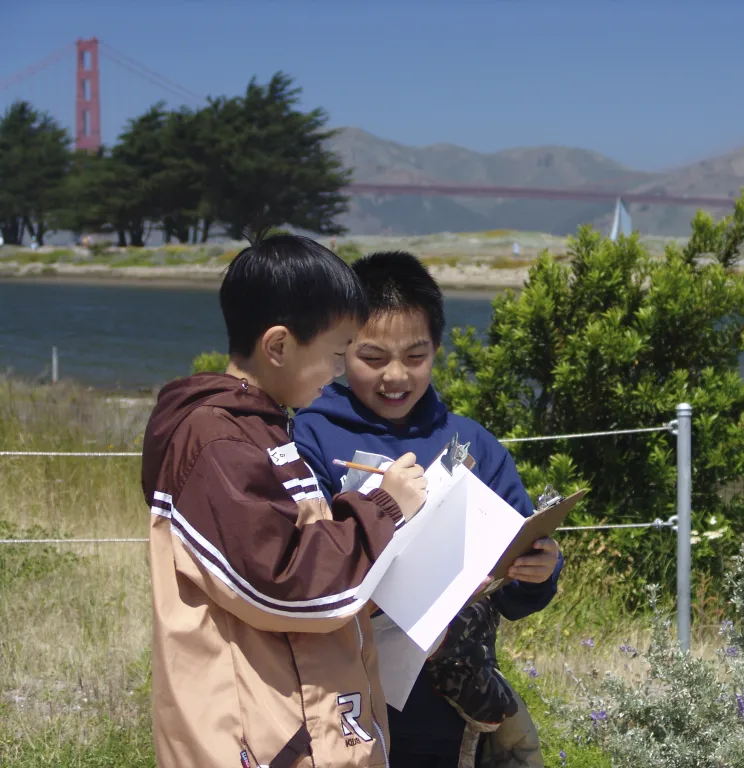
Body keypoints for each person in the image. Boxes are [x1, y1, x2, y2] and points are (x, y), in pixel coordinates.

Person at [140, 233, 429, 768]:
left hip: (304, 719)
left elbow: (294, 549)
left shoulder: (263, 429)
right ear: (278, 346)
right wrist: (384, 508)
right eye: (336, 354)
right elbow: (286, 584)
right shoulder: (217, 442)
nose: (339, 372)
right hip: (261, 737)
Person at [294, 251, 562, 768]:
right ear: (341, 349)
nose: (395, 376)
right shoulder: (310, 435)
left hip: (450, 708)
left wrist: (539, 571)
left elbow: (520, 581)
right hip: (341, 698)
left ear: (437, 349)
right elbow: (301, 565)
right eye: (372, 358)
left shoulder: (473, 443)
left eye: (415, 357)